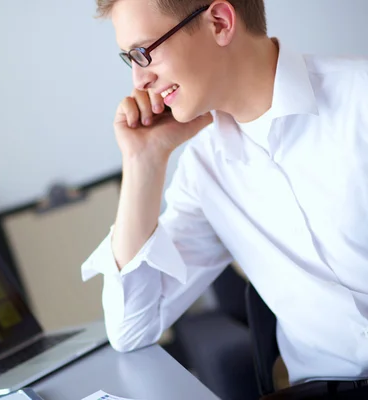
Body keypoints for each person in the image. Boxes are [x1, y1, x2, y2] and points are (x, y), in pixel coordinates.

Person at [81, 0, 368, 398]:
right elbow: (132, 328)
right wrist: (142, 163)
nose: (139, 80)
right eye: (128, 58)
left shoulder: (361, 101)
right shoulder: (204, 169)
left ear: (219, 22)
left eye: (145, 52)